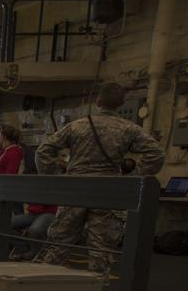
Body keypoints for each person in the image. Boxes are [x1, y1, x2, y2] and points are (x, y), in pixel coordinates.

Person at [34, 82, 164, 274]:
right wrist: (132, 178)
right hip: (108, 192)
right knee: (100, 251)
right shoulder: (129, 129)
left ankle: (43, 288)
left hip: (74, 191)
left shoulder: (76, 126)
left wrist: (56, 177)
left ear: (98, 102)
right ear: (120, 104)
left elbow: (43, 151)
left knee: (58, 246)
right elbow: (157, 155)